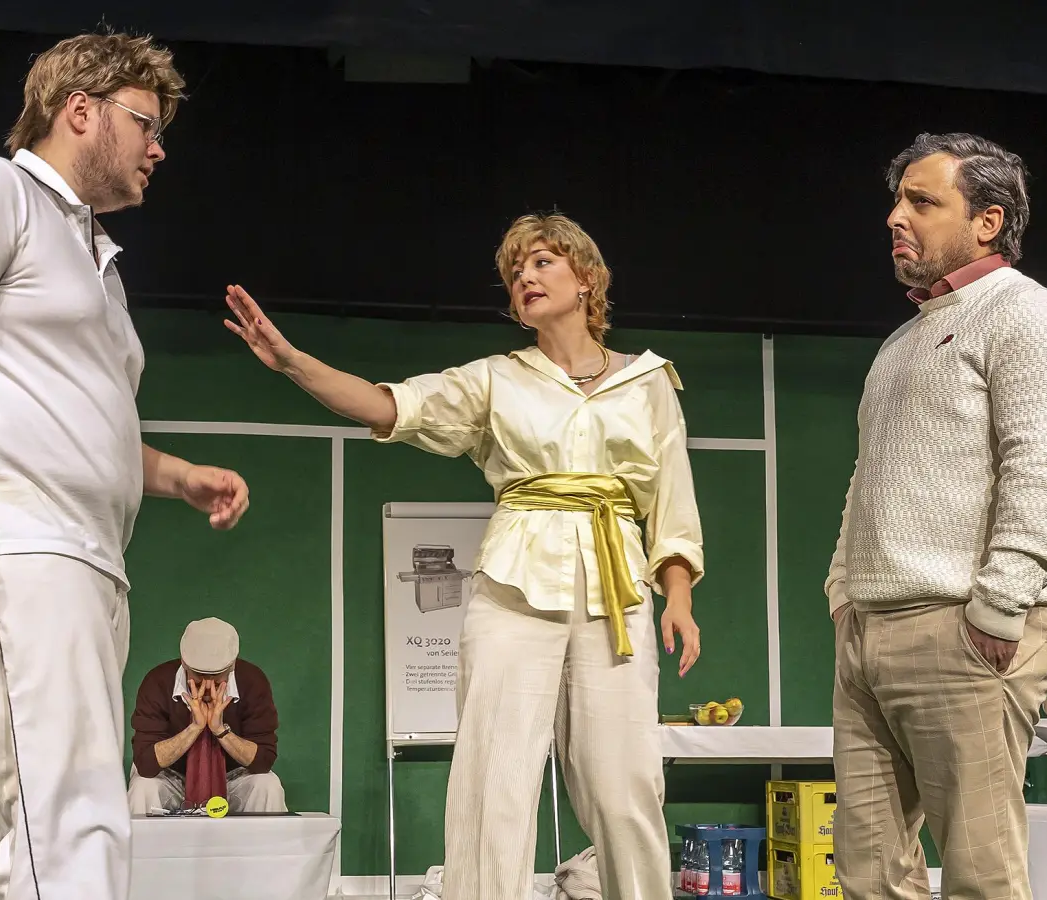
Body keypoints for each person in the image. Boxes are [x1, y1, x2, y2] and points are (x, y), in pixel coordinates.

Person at [222, 213, 705, 899]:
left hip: (617, 592)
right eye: (516, 273)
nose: (525, 278)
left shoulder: (649, 382)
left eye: (541, 262)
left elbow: (673, 501)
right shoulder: (496, 380)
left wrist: (678, 597)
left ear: (588, 279)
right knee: (494, 779)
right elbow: (392, 408)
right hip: (513, 588)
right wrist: (294, 362)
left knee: (626, 782)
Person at [0, 31, 250, 900]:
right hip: (16, 546)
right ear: (79, 112)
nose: (159, 149)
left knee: (25, 824)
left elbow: (73, 420)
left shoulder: (96, 260)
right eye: (146, 123)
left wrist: (175, 474)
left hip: (85, 560)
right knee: (72, 818)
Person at [825, 133, 1047, 900]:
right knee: (866, 875)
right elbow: (866, 476)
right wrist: (844, 588)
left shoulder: (1029, 316)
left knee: (979, 876)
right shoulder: (904, 340)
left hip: (964, 630)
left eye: (921, 201)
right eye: (897, 200)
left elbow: (1041, 472)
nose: (894, 217)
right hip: (871, 632)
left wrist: (998, 609)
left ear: (987, 220)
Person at [128, 617, 287, 814]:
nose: (208, 685)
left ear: (232, 667)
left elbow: (263, 761)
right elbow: (145, 763)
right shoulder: (157, 681)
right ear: (184, 664)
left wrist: (220, 730)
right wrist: (194, 728)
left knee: (267, 785)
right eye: (198, 675)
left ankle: (263, 846)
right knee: (143, 787)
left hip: (233, 778)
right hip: (172, 777)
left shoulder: (253, 681)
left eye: (216, 677)